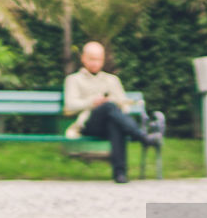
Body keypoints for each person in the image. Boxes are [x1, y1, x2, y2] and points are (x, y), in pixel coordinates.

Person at [63, 42, 161, 183]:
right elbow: (70, 105)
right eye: (92, 59)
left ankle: (120, 174)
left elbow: (123, 106)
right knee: (108, 107)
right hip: (88, 124)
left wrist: (113, 103)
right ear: (83, 58)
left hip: (110, 122)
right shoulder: (73, 80)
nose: (95, 63)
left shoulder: (112, 80)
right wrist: (92, 102)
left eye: (99, 59)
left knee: (113, 119)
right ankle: (141, 136)